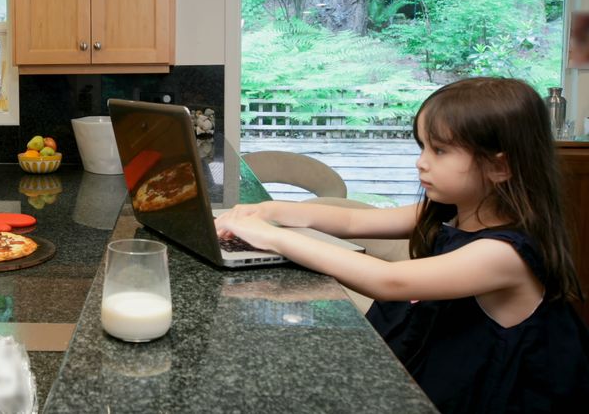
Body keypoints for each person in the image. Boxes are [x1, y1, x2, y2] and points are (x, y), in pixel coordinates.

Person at [216, 77, 589, 412]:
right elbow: (353, 221)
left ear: (500, 167)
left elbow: (389, 281)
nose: (421, 163)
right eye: (422, 147)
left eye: (439, 151)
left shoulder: (504, 254)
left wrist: (272, 236)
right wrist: (268, 210)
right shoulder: (453, 211)